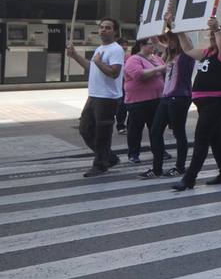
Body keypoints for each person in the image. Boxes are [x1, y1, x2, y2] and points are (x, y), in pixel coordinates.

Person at [171, 17, 221, 191]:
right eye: (210, 36)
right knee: (215, 139)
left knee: (201, 138)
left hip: (217, 102)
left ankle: (189, 178)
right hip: (205, 103)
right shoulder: (208, 53)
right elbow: (188, 49)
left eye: (214, 36)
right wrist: (179, 30)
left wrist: (217, 30)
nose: (211, 39)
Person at [66, 17, 125, 177]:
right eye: (101, 27)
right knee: (85, 129)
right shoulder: (100, 48)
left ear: (115, 31)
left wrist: (98, 63)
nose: (103, 30)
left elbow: (114, 73)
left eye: (107, 27)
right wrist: (75, 56)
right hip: (94, 95)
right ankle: (109, 157)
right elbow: (91, 68)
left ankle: (100, 165)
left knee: (102, 133)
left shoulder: (116, 49)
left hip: (107, 98)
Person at [144, 30, 191, 179]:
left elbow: (186, 44)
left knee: (178, 132)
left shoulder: (187, 55)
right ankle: (157, 168)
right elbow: (156, 42)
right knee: (155, 131)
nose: (168, 43)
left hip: (180, 97)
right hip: (166, 97)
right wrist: (152, 25)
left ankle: (180, 167)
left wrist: (178, 29)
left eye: (171, 40)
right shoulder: (171, 56)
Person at [122, 38, 166, 166]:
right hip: (138, 101)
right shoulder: (134, 59)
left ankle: (159, 151)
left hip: (156, 99)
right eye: (150, 44)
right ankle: (133, 154)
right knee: (135, 129)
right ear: (142, 45)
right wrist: (159, 69)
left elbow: (164, 70)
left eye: (153, 44)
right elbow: (139, 75)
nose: (153, 47)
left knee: (156, 128)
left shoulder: (156, 58)